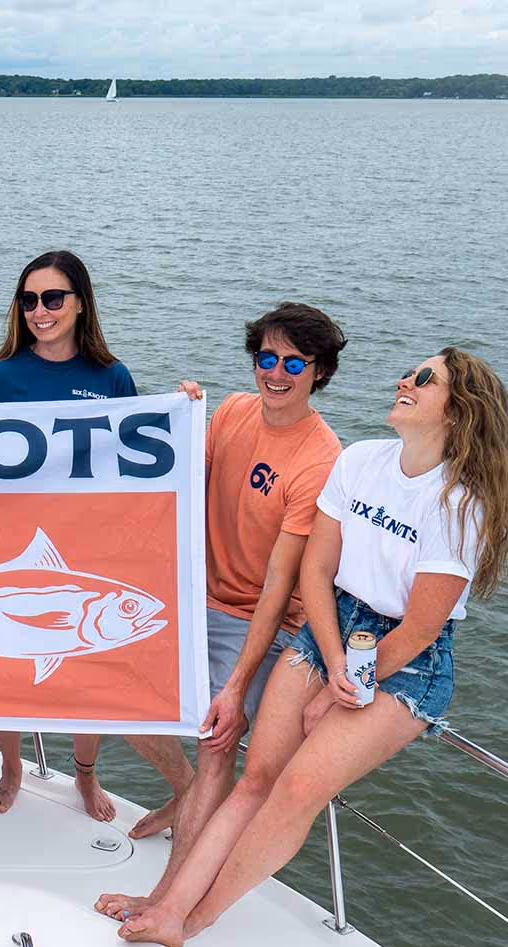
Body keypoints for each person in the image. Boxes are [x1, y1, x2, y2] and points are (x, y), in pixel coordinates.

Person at [104, 348, 508, 947]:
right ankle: (169, 907)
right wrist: (334, 663)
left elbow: (421, 629)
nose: (407, 379)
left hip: (403, 660)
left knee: (295, 791)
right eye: (409, 370)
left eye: (426, 378)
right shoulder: (361, 461)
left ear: (458, 409)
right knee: (255, 780)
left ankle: (190, 921)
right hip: (329, 627)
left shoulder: (458, 505)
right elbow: (316, 571)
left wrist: (348, 687)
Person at [97, 303, 345, 906]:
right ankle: (187, 792)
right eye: (267, 357)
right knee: (102, 688)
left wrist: (234, 689)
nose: (276, 373)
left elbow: (280, 587)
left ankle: (164, 899)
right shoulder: (232, 410)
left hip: (259, 619)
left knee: (216, 737)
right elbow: (177, 481)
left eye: (294, 363)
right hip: (193, 599)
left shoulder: (320, 460)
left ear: (319, 371)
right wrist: (177, 417)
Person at [0, 248, 156, 821]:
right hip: (11, 546)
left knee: (84, 667)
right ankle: (10, 768)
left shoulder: (112, 377)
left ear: (80, 303)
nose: (40, 311)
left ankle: (85, 774)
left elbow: (140, 461)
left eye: (53, 298)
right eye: (29, 300)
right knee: (9, 661)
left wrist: (184, 408)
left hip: (86, 546)